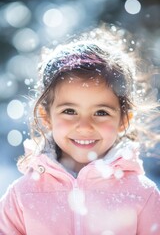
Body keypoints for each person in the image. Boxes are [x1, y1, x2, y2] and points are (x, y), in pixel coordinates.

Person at [0, 25, 160, 235]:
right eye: (69, 111)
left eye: (101, 112)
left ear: (124, 120)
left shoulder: (142, 194)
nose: (84, 126)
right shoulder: (22, 195)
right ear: (46, 116)